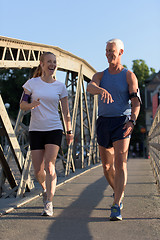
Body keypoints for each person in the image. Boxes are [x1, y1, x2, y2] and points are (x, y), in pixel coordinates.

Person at [87, 39, 141, 221]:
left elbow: (135, 102)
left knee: (120, 162)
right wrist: (100, 90)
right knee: (107, 166)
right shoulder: (100, 76)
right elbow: (90, 87)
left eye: (112, 51)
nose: (109, 54)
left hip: (122, 121)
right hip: (103, 122)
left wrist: (132, 121)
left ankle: (116, 204)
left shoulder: (129, 76)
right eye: (107, 51)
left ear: (121, 52)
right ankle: (119, 191)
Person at [20, 52, 73, 216]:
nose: (52, 64)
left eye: (54, 62)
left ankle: (49, 203)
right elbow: (22, 104)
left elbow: (66, 111)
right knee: (38, 170)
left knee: (50, 166)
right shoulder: (31, 84)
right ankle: (45, 189)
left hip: (54, 129)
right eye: (49, 61)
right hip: (36, 130)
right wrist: (31, 105)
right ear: (42, 64)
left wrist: (69, 131)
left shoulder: (60, 87)